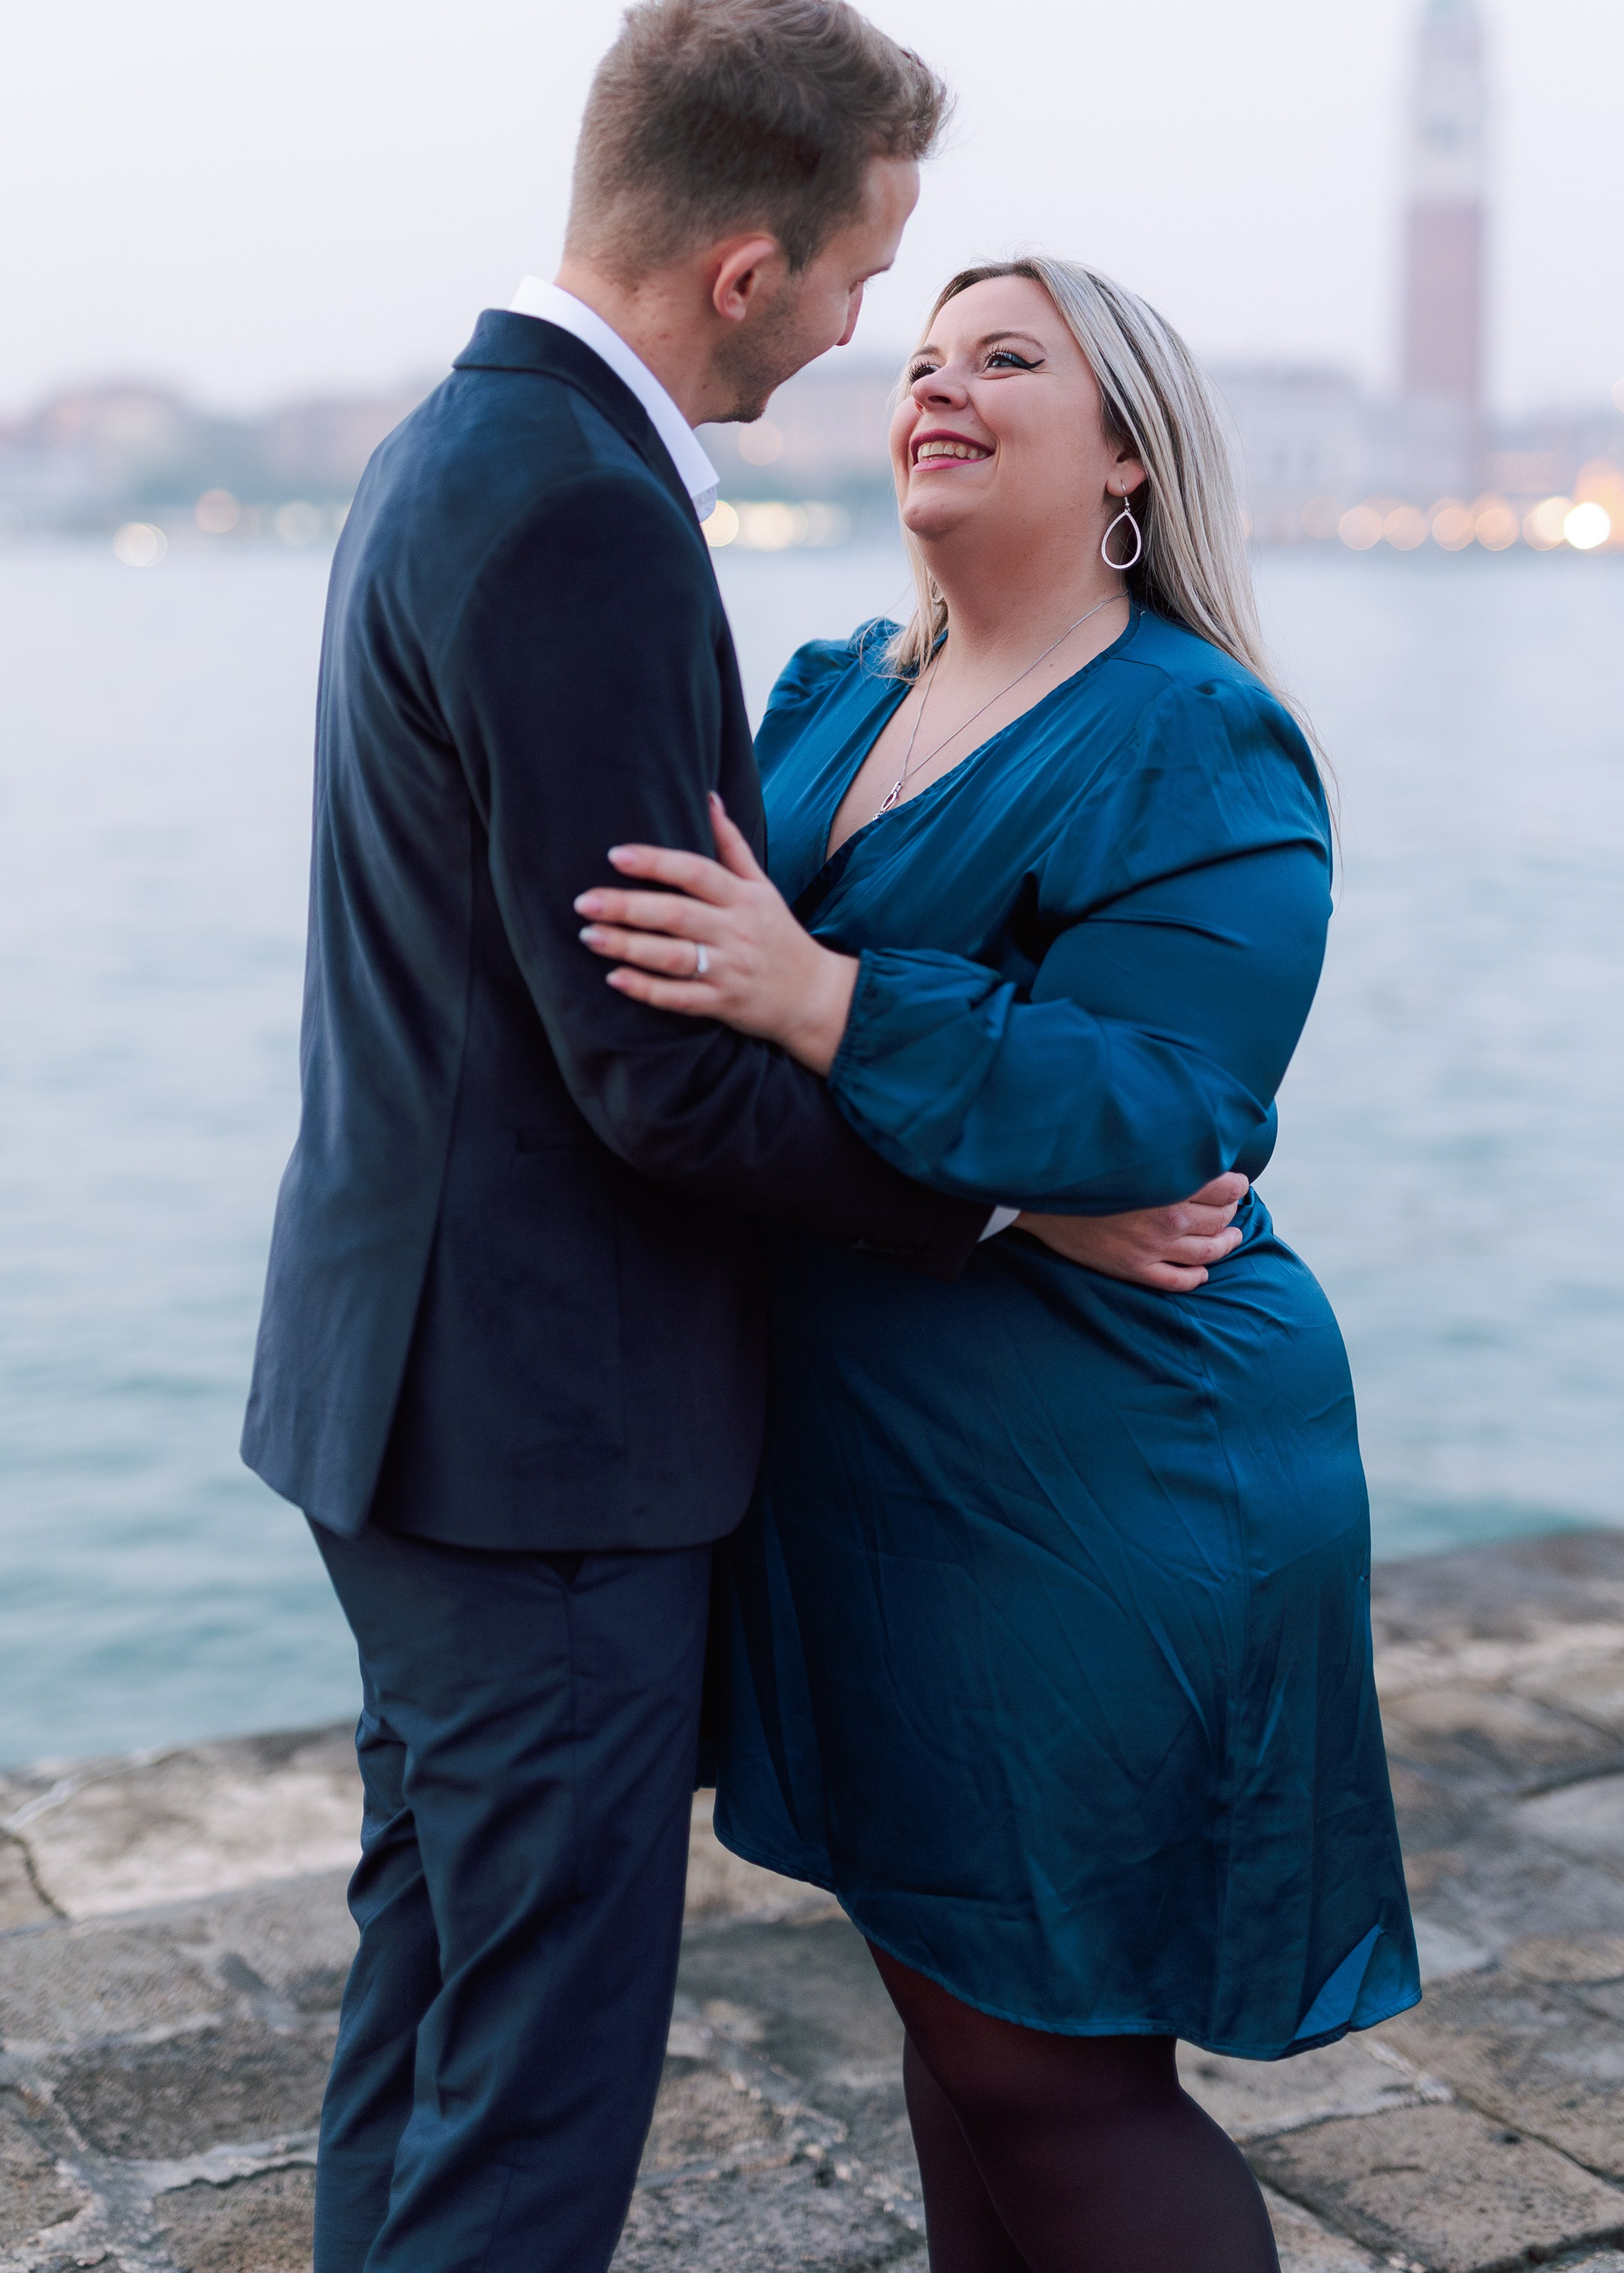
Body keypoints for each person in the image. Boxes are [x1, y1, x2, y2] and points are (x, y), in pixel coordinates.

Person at [243, 0, 1242, 2273]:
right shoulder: (586, 513)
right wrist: (1008, 1208)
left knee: (428, 2034)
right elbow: (659, 1068)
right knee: (526, 2097)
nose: (863, 331)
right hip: (546, 1448)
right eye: (870, 277)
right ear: (744, 269)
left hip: (415, 1408)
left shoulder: (448, 451)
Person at [576, 255, 1421, 2273]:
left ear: (1126, 449)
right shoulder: (828, 695)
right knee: (953, 2037)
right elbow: (689, 1041)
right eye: (924, 360)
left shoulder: (1198, 739)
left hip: (1109, 1468)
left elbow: (1165, 1108)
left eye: (1007, 362)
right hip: (875, 1461)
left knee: (1055, 2072)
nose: (937, 390)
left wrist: (827, 1000)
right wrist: (966, 1156)